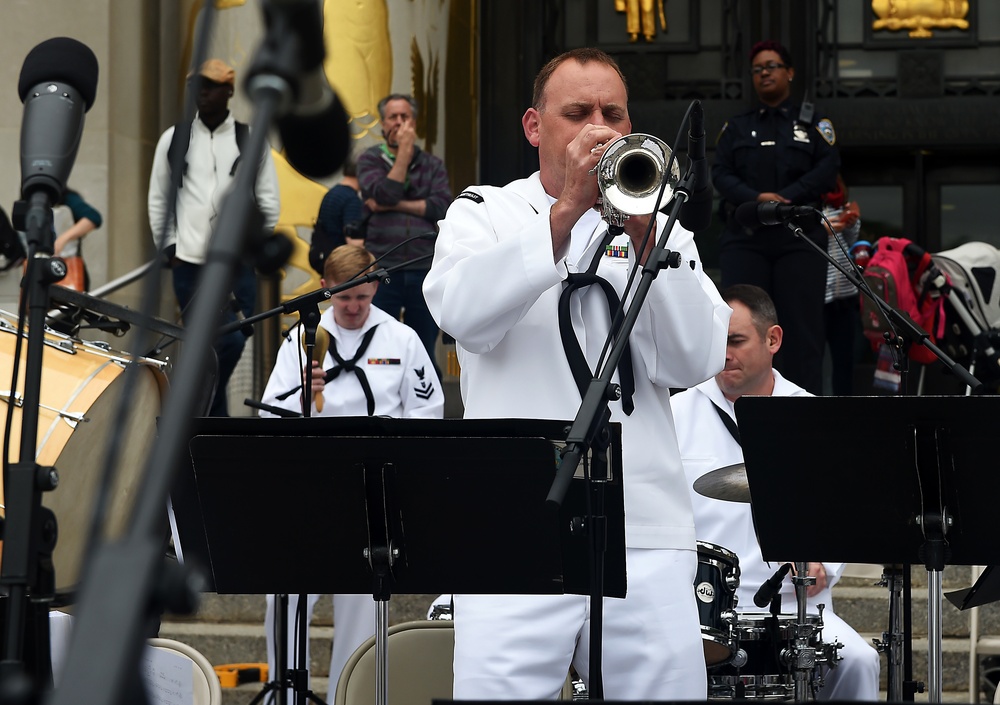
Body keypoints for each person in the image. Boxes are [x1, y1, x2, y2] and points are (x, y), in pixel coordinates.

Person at [423, 47, 731, 700]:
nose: (600, 127)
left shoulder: (663, 222)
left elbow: (696, 358)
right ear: (536, 127)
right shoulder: (484, 212)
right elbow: (462, 313)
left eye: (613, 113)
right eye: (577, 112)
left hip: (642, 524)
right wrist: (565, 213)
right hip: (514, 523)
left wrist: (650, 236)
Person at [670, 284, 880, 701]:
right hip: (701, 608)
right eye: (715, 341)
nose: (723, 353)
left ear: (773, 340)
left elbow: (841, 509)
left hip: (793, 606)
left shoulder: (812, 416)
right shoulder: (674, 416)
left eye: (735, 340)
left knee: (860, 661)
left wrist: (822, 564)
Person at [259, 244, 444, 699]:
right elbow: (270, 414)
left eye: (363, 297)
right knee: (282, 599)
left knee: (363, 607)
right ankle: (284, 693)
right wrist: (303, 396)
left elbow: (428, 411)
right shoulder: (302, 340)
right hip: (313, 484)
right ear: (325, 289)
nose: (354, 307)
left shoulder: (401, 339)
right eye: (344, 299)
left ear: (376, 287)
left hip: (373, 486)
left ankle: (351, 695)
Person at [147, 58, 280, 416]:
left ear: (229, 91)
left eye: (210, 85)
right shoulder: (173, 139)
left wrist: (252, 245)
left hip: (237, 268)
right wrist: (169, 245)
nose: (201, 92)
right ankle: (213, 424)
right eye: (196, 86)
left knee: (231, 342)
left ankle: (202, 415)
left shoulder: (250, 139)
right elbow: (159, 197)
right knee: (203, 349)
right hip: (189, 265)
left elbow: (268, 200)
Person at [712, 39, 839, 395]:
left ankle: (803, 412)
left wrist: (786, 200)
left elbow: (828, 168)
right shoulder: (737, 127)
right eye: (757, 69)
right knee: (740, 327)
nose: (764, 73)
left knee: (801, 331)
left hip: (799, 240)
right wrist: (757, 199)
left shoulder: (814, 123)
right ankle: (738, 404)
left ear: (790, 72)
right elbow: (719, 173)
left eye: (771, 66)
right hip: (747, 239)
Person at [356, 93, 452, 364]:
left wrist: (393, 205)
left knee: (422, 349)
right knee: (378, 345)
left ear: (414, 122)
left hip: (423, 265)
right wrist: (404, 154)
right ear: (383, 124)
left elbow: (441, 207)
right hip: (384, 265)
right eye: (392, 117)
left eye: (405, 117)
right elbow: (385, 193)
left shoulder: (432, 164)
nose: (399, 123)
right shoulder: (369, 160)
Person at [822, 175, 863, 395]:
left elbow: (851, 239)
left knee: (845, 359)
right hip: (820, 295)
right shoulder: (809, 209)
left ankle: (843, 404)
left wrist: (851, 221)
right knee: (817, 358)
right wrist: (823, 230)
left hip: (845, 294)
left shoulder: (840, 207)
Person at [309, 155, 364, 275]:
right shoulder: (352, 200)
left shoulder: (332, 193)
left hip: (327, 260)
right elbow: (354, 243)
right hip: (342, 265)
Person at [53, 188, 103, 291]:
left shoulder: (67, 198)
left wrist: (63, 239)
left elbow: (93, 217)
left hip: (67, 269)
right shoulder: (30, 198)